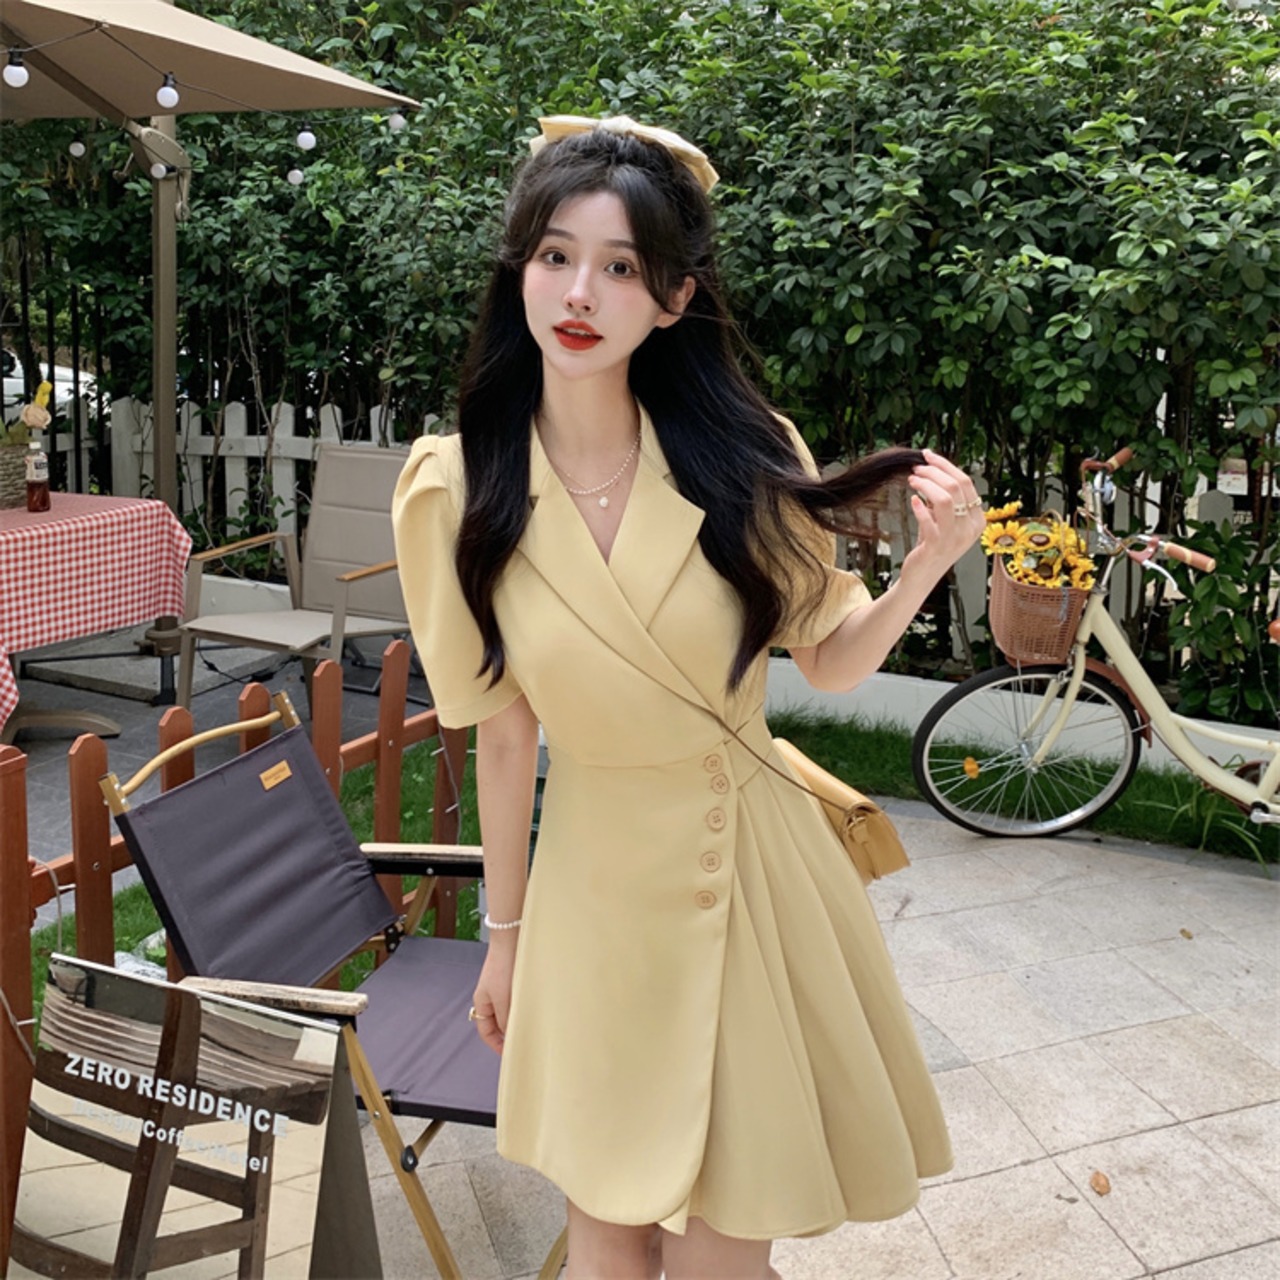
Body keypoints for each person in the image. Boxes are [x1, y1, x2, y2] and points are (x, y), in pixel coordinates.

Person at [392, 115, 982, 1280]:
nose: (580, 292)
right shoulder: (454, 488)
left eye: (620, 267)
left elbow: (827, 658)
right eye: (555, 255)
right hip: (594, 896)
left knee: (724, 1250)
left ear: (672, 299)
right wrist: (503, 940)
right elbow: (504, 738)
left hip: (747, 871)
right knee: (607, 1237)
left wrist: (925, 566)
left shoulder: (738, 449)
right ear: (519, 269)